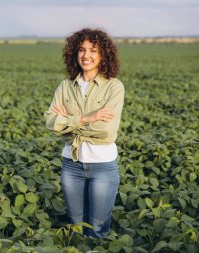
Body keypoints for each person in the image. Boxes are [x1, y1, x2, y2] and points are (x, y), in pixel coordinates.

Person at [44, 28, 124, 238]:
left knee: (97, 230)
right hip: (71, 165)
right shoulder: (65, 86)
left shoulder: (114, 87)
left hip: (103, 167)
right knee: (76, 228)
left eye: (93, 50)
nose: (86, 55)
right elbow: (51, 122)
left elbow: (106, 130)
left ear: (102, 55)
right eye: (81, 50)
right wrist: (89, 118)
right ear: (74, 53)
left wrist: (67, 123)